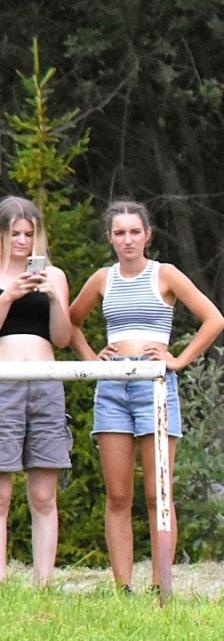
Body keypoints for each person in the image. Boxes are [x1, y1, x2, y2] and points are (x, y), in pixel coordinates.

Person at [68, 200, 224, 598]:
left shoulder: (165, 274)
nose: (128, 240)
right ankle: (123, 587)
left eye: (134, 232)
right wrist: (91, 360)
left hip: (154, 384)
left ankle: (161, 585)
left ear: (147, 235)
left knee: (159, 492)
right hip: (113, 386)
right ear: (110, 238)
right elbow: (70, 322)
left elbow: (214, 319)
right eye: (120, 233)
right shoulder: (103, 279)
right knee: (118, 494)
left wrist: (179, 360)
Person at [0, 196, 73, 586]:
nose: (22, 241)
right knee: (1, 495)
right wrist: (9, 296)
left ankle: (43, 583)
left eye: (29, 234)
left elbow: (62, 338)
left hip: (45, 383)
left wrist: (55, 298)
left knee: (44, 494)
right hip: (4, 383)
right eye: (15, 233)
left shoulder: (54, 275)